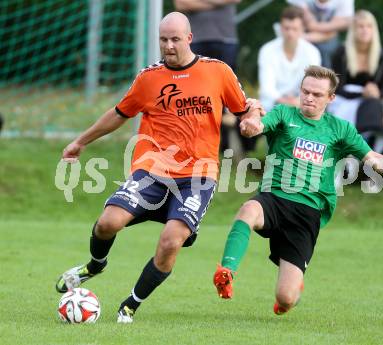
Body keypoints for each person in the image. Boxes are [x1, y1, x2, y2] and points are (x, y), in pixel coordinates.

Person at [55, 12, 258, 323]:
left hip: (198, 176)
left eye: (175, 39)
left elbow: (246, 109)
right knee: (108, 223)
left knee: (170, 241)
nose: (169, 46)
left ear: (189, 38)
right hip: (152, 170)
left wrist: (251, 121)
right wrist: (81, 142)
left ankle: (131, 305)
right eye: (163, 40)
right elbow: (120, 113)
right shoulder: (149, 78)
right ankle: (96, 265)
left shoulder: (217, 72)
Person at [212, 65, 383, 315]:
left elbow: (373, 157)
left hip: (307, 212)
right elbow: (260, 125)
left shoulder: (340, 129)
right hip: (274, 198)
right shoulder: (284, 114)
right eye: (306, 91)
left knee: (286, 298)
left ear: (331, 98)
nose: (309, 97)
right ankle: (226, 271)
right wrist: (251, 125)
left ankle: (291, 292)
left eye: (317, 94)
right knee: (248, 209)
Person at [173, 0, 256, 156]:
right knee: (193, 94)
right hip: (195, 40)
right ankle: (191, 145)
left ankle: (234, 149)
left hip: (226, 40)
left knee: (229, 94)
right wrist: (218, 3)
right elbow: (181, 4)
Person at [329, 10, 383, 177]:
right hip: (343, 99)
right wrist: (363, 94)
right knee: (364, 108)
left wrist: (375, 93)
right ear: (353, 30)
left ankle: (378, 164)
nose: (364, 30)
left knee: (377, 110)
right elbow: (336, 86)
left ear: (374, 30)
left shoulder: (381, 56)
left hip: (369, 102)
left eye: (368, 26)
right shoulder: (341, 53)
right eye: (360, 26)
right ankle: (350, 160)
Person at [258, 5, 321, 112]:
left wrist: (298, 101)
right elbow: (267, 88)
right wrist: (284, 101)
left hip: (302, 104)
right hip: (272, 105)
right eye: (287, 28)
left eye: (295, 29)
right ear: (281, 28)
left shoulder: (312, 52)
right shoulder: (267, 50)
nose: (290, 33)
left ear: (302, 29)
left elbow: (313, 85)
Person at [287, 0, 354, 68]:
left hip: (325, 39)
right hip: (304, 35)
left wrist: (309, 33)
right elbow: (297, 19)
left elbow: (333, 31)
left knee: (327, 50)